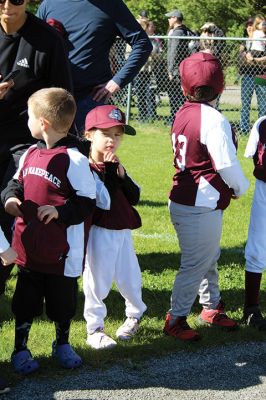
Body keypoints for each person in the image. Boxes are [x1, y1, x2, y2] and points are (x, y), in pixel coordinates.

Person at [1, 88, 96, 374]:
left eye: (29, 116)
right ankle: (20, 348)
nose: (26, 121)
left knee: (62, 303)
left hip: (61, 254)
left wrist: (60, 212)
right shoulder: (30, 153)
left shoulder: (74, 159)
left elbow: (87, 202)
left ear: (43, 122)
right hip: (28, 249)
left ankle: (63, 343)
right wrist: (11, 198)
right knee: (25, 302)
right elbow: (15, 183)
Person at [164, 52, 249, 341]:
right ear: (221, 86)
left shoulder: (182, 112)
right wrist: (239, 188)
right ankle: (175, 318)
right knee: (197, 262)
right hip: (199, 201)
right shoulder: (214, 119)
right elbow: (225, 164)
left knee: (207, 257)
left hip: (187, 197)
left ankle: (210, 306)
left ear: (185, 86)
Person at [0, 0, 72, 298]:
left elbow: (62, 101)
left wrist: (62, 149)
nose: (6, 5)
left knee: (10, 208)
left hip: (25, 141)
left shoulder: (47, 40)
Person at [82, 104, 147, 349]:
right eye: (106, 133)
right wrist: (110, 172)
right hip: (99, 232)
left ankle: (134, 316)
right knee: (97, 280)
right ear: (89, 134)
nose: (113, 139)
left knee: (130, 278)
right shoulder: (84, 166)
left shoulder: (114, 163)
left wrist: (121, 175)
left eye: (118, 134)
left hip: (122, 231)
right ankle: (95, 328)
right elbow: (104, 202)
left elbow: (135, 196)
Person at [36, 0, 153, 132]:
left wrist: (117, 81)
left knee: (88, 152)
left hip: (89, 99)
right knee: (50, 152)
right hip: (51, 100)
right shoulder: (49, 4)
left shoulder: (111, 5)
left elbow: (142, 44)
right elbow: (32, 46)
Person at [243, 112, 266, 330]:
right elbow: (253, 156)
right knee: (257, 248)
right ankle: (251, 307)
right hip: (265, 190)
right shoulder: (262, 123)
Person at [165, 9, 195, 124]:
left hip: (177, 71)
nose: (168, 19)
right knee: (180, 97)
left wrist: (170, 70)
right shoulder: (186, 31)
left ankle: (176, 120)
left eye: (170, 17)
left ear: (175, 18)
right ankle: (180, 119)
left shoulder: (177, 33)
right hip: (183, 69)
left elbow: (174, 52)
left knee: (175, 97)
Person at [239, 15, 266, 134]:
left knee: (263, 104)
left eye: (251, 25)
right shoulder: (245, 42)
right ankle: (244, 129)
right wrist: (246, 56)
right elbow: (240, 57)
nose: (249, 28)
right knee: (245, 103)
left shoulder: (262, 39)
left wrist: (254, 59)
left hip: (262, 75)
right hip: (247, 75)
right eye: (248, 26)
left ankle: (261, 129)